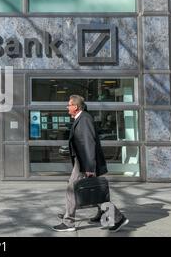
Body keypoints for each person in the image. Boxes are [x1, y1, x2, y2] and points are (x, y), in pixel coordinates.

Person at [53, 95, 129, 232]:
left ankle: (68, 222)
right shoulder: (81, 118)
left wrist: (89, 167)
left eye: (69, 105)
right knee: (94, 190)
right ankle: (111, 216)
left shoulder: (84, 119)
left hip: (85, 162)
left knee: (72, 189)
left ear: (75, 107)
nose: (67, 107)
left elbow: (88, 144)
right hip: (83, 161)